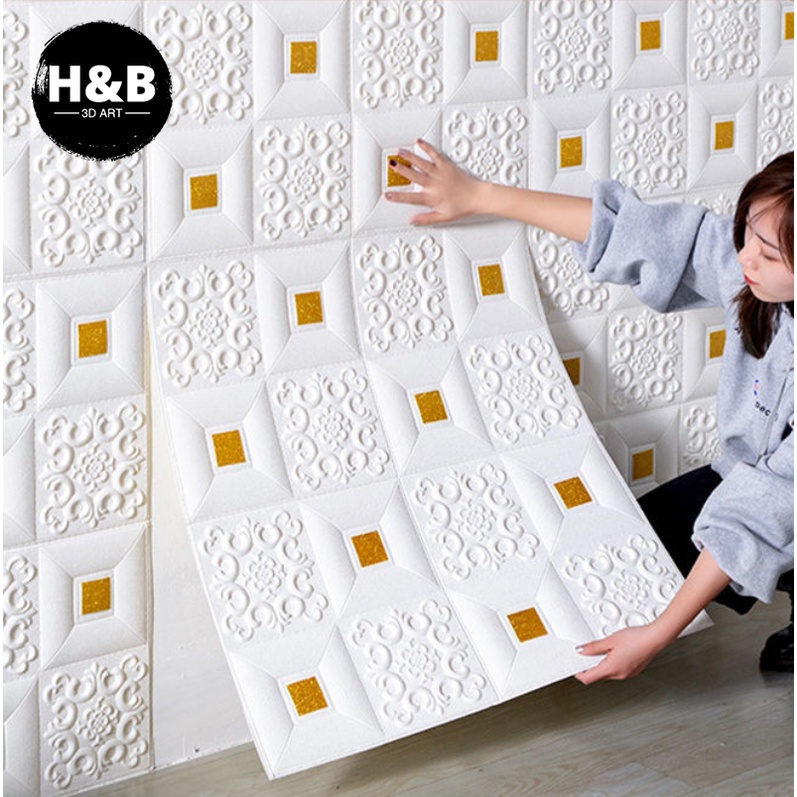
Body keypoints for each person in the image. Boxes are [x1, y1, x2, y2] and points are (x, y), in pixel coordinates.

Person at [385, 143, 794, 682]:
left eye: (769, 254)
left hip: (782, 493)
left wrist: (657, 635)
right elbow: (644, 236)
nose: (745, 258)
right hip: (751, 479)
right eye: (746, 233)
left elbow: (770, 503)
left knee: (750, 534)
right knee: (637, 550)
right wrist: (478, 195)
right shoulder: (751, 272)